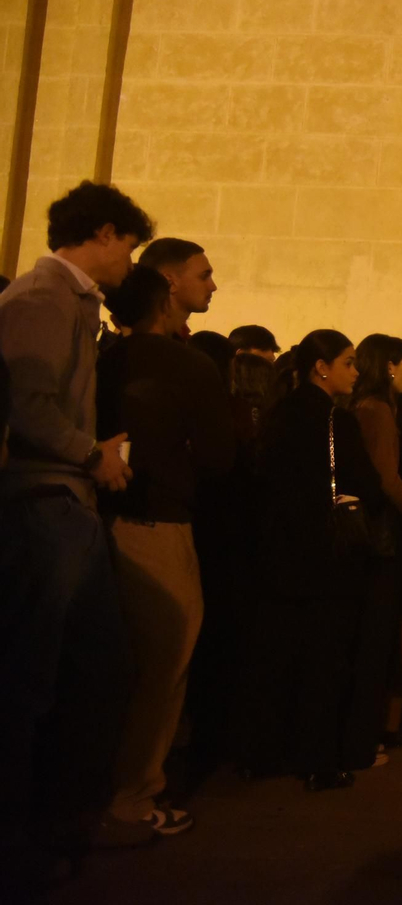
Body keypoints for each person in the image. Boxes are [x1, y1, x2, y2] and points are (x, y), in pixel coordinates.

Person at [0, 181, 150, 875]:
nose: (130, 264)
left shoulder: (71, 304)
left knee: (96, 669)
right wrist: (93, 452)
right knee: (32, 675)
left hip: (65, 500)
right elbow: (28, 407)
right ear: (105, 235)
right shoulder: (41, 300)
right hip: (44, 503)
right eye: (129, 247)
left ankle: (61, 820)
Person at [95, 266, 235, 838]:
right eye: (204, 274)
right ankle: (133, 797)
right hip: (159, 522)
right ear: (168, 289)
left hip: (96, 518)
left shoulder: (105, 359)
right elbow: (220, 455)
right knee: (165, 662)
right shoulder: (186, 365)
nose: (213, 283)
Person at [237, 330, 383, 792]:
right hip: (326, 556)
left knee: (276, 658)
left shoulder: (280, 412)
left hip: (279, 557)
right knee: (323, 661)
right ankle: (316, 758)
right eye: (348, 362)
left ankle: (262, 753)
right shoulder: (334, 422)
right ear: (322, 366)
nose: (356, 372)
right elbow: (366, 482)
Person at [347, 334, 402, 767]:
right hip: (381, 535)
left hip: (381, 531)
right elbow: (385, 474)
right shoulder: (376, 410)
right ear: (390, 366)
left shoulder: (375, 408)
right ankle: (367, 733)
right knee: (377, 634)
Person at [138, 238, 216, 336]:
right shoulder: (146, 344)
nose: (213, 287)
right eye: (204, 276)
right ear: (169, 282)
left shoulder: (181, 339)